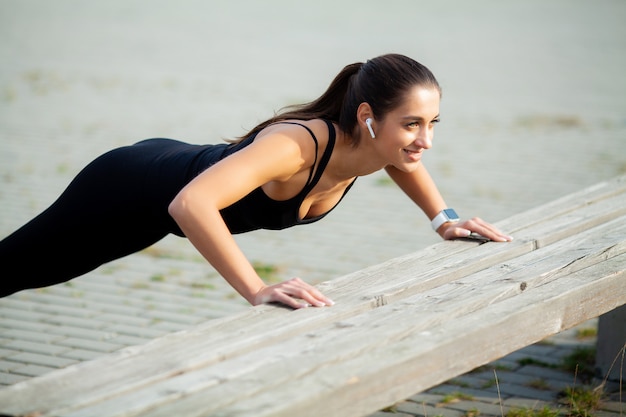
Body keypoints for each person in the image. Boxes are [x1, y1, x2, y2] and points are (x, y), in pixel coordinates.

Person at [0, 53, 512, 308]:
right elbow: (190, 204)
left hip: (158, 201)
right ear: (368, 117)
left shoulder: (375, 146)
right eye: (411, 124)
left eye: (431, 124)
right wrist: (256, 289)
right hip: (127, 186)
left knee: (28, 274)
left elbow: (407, 163)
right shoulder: (296, 146)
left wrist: (443, 220)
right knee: (14, 270)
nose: (424, 140)